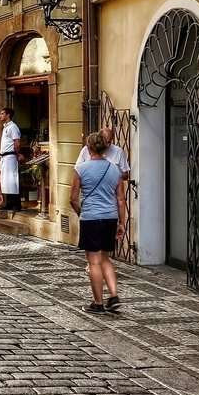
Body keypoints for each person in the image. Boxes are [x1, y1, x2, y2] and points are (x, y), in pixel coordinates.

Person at [70, 131, 127, 314]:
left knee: (93, 261)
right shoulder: (115, 170)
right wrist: (121, 222)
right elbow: (120, 199)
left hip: (91, 218)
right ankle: (114, 294)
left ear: (88, 148)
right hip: (110, 218)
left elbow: (73, 198)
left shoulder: (81, 169)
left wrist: (82, 212)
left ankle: (98, 303)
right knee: (105, 258)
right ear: (105, 147)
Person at [0, 108, 22, 212]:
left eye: (2, 114)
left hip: (10, 156)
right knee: (5, 181)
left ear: (8, 115)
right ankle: (8, 202)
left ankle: (16, 204)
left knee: (12, 180)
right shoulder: (5, 127)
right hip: (4, 157)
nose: (0, 116)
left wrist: (17, 153)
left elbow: (16, 142)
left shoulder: (13, 127)